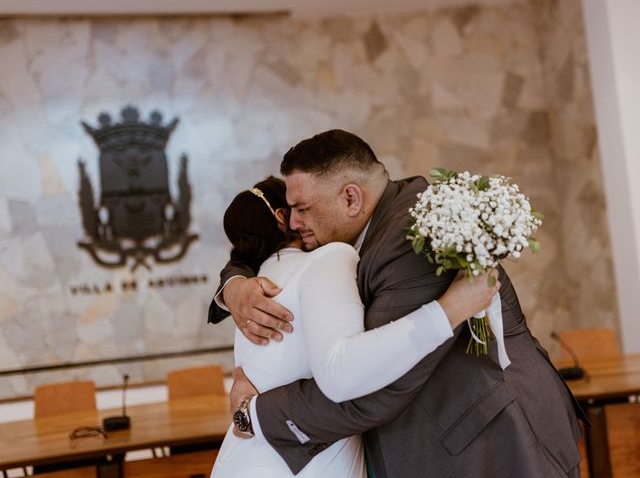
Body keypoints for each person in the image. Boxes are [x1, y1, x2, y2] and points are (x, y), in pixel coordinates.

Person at [210, 130, 585, 477]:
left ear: (351, 198)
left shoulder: (411, 240)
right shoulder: (374, 223)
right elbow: (256, 242)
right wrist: (235, 283)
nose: (292, 223)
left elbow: (373, 388)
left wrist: (258, 414)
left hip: (493, 446)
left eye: (302, 209)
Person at [210, 176, 500, 477]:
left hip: (241, 458)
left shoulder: (253, 285)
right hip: (305, 465)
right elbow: (345, 370)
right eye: (296, 208)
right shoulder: (328, 259)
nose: (300, 219)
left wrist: (249, 416)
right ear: (283, 218)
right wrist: (448, 311)